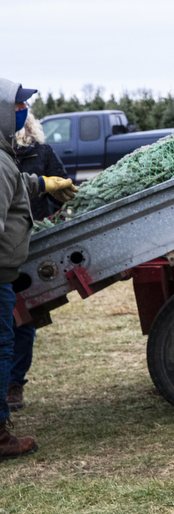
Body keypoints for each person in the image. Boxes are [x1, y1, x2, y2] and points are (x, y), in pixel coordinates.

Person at [0, 79, 77, 461]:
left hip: (15, 264)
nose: (21, 113)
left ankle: (7, 405)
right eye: (15, 107)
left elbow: (18, 184)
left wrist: (45, 183)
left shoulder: (17, 155)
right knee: (4, 339)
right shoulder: (1, 158)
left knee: (15, 333)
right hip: (1, 271)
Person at [8, 112, 70, 412]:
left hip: (34, 244)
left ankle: (14, 383)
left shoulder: (41, 153)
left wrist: (56, 220)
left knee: (23, 318)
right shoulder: (5, 159)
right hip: (10, 248)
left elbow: (60, 189)